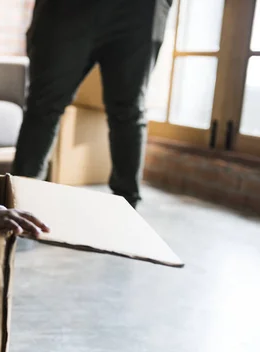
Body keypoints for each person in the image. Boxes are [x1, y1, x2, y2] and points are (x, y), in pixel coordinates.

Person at [12, 0, 173, 208]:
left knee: (129, 111)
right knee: (43, 105)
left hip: (141, 9)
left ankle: (127, 211)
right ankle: (20, 204)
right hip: (66, 9)